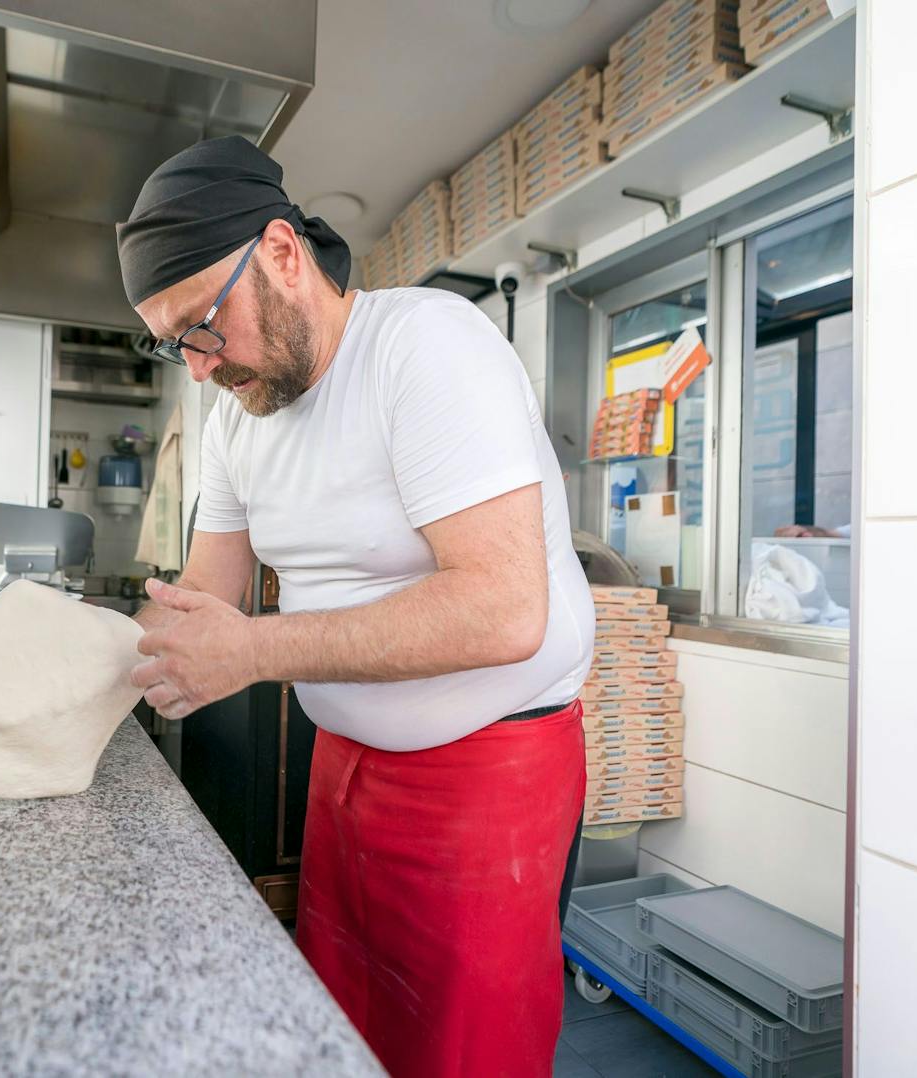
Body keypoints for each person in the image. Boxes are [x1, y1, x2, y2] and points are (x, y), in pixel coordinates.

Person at [117, 136, 594, 1078]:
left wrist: (252, 652)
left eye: (204, 328)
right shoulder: (234, 421)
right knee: (343, 1032)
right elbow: (202, 602)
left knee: (463, 1053)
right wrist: (68, 667)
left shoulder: (427, 348)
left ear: (284, 255)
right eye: (176, 346)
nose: (200, 368)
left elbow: (503, 610)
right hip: (345, 772)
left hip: (487, 778)